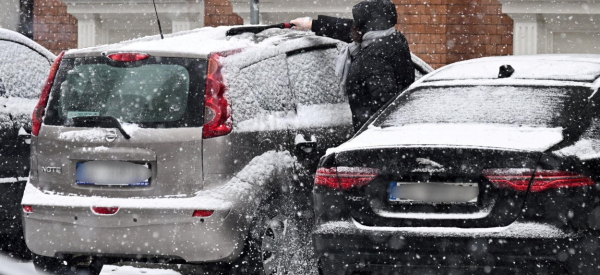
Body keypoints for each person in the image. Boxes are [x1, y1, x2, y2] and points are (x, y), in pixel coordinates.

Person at [291, 0, 415, 132]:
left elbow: (384, 108)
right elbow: (347, 28)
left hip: (371, 139)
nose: (354, 26)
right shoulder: (391, 39)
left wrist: (367, 139)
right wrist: (312, 24)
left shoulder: (375, 57)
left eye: (357, 23)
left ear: (365, 28)